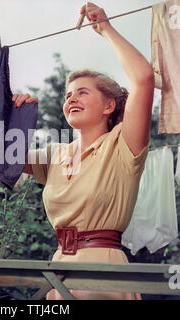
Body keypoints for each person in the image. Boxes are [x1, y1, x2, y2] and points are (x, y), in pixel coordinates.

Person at [12, 2, 154, 300]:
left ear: (109, 105)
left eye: (82, 92)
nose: (71, 99)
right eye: (67, 95)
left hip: (103, 275)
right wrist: (14, 116)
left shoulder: (123, 143)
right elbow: (1, 158)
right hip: (59, 268)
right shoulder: (54, 153)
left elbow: (143, 78)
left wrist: (105, 27)